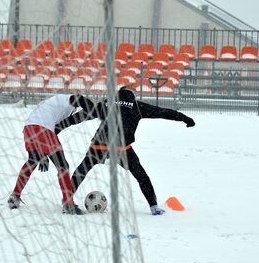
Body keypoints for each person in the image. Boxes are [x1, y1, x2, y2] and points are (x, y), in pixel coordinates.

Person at [55, 85, 195, 215]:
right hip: (122, 149)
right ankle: (154, 207)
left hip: (99, 146)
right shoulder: (137, 106)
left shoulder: (106, 103)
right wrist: (185, 118)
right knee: (141, 176)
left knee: (80, 172)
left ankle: (67, 202)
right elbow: (163, 112)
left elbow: (80, 117)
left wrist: (59, 127)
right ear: (132, 96)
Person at [8, 94, 95, 215]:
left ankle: (15, 196)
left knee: (32, 161)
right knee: (63, 167)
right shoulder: (65, 99)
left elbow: (60, 127)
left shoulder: (52, 110)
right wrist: (92, 107)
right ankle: (68, 204)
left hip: (29, 127)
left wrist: (43, 153)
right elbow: (79, 99)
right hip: (43, 129)